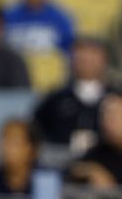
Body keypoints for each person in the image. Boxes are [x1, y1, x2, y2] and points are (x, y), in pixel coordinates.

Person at [32, 37, 117, 167]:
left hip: (109, 169)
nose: (86, 59)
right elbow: (33, 134)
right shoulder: (54, 100)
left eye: (92, 53)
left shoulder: (120, 100)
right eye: (81, 53)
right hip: (60, 168)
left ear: (104, 58)